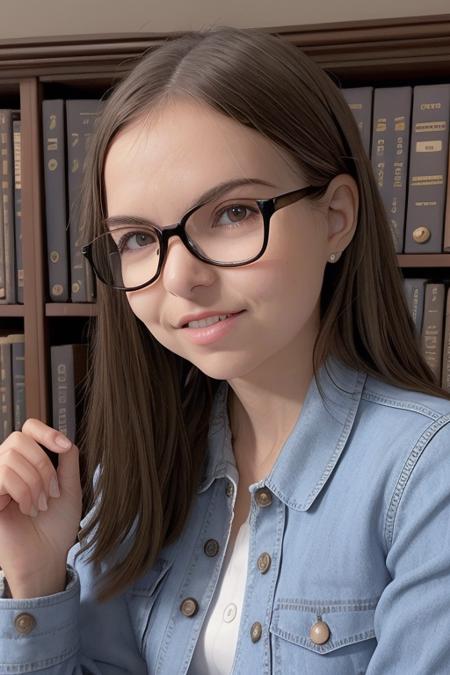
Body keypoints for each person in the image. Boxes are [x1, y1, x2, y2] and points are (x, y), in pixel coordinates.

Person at [1, 23, 450, 675]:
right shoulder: (138, 470)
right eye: (136, 239)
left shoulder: (428, 478)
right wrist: (40, 575)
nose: (181, 276)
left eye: (234, 212)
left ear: (337, 216)